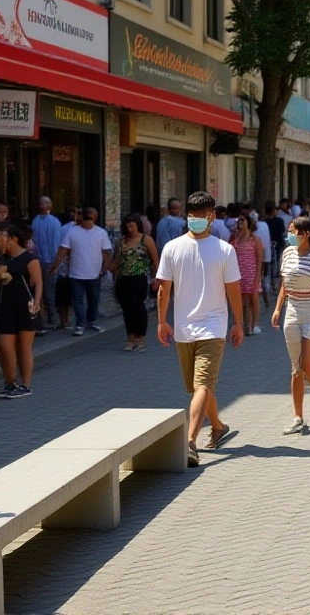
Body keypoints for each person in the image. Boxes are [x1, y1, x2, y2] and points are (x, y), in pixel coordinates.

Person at [156, 192, 243, 467]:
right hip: (184, 328)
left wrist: (238, 324)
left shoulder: (224, 250)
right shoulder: (172, 248)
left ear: (212, 217)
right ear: (187, 217)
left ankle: (190, 443)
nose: (196, 221)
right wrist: (162, 321)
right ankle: (218, 425)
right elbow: (163, 289)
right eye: (192, 217)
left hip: (214, 328)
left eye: (201, 216)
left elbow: (234, 291)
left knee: (202, 384)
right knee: (198, 388)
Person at [273, 216, 310, 434]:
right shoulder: (287, 253)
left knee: (308, 364)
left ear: (305, 234)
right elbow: (284, 285)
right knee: (296, 369)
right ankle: (298, 417)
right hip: (292, 311)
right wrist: (278, 309)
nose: (289, 234)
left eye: (292, 230)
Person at [0, 223, 42, 399]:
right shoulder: (1, 258)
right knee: (5, 345)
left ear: (13, 238)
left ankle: (25, 384)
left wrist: (36, 302)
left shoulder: (29, 259)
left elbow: (37, 282)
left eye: (3, 236)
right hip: (5, 305)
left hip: (24, 305)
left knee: (24, 346)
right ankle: (10, 381)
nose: (0, 239)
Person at [52, 207, 112, 336]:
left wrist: (55, 265)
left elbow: (63, 250)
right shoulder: (80, 232)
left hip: (88, 272)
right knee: (89, 299)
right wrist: (105, 268)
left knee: (85, 299)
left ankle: (84, 323)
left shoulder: (92, 232)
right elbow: (107, 253)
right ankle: (86, 322)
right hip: (82, 272)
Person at [110, 214, 158, 352]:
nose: (129, 228)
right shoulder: (121, 242)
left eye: (132, 225)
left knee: (138, 307)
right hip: (124, 278)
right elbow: (117, 260)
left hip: (139, 277)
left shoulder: (146, 240)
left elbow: (155, 260)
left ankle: (141, 338)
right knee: (127, 309)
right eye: (127, 226)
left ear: (138, 225)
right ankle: (130, 339)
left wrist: (156, 278)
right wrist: (109, 270)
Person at [31, 196, 63, 331]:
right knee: (40, 291)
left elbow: (56, 243)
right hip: (39, 260)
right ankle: (44, 319)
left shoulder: (54, 222)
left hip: (49, 261)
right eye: (41, 204)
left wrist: (56, 263)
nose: (43, 206)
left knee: (48, 292)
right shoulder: (36, 221)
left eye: (45, 204)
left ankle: (53, 319)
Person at [230, 215, 264, 336]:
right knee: (243, 301)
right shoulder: (235, 240)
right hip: (239, 273)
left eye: (242, 220)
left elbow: (260, 259)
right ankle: (247, 324)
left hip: (252, 273)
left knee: (253, 299)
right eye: (238, 220)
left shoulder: (255, 240)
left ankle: (255, 324)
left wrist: (257, 276)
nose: (239, 223)